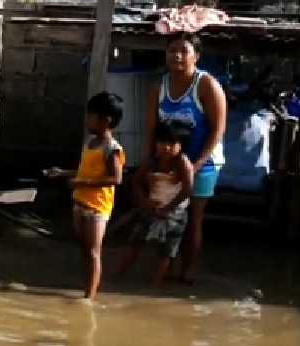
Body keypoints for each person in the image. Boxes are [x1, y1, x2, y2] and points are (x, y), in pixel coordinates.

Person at [141, 32, 227, 284]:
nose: (177, 56)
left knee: (192, 218)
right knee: (165, 214)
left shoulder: (207, 85)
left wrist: (195, 166)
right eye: (172, 50)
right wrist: (148, 164)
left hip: (204, 162)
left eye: (183, 51)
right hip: (167, 163)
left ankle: (187, 270)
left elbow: (217, 130)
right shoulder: (159, 87)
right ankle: (165, 267)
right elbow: (150, 130)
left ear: (196, 56)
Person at [46, 91, 125, 300]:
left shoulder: (111, 148)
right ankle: (87, 287)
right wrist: (62, 172)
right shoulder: (90, 143)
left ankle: (89, 298)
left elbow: (116, 179)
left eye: (91, 116)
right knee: (84, 249)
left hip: (98, 206)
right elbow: (84, 171)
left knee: (93, 252)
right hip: (81, 201)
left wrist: (82, 183)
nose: (87, 120)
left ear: (105, 121)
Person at [117, 121, 194, 288]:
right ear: (155, 143)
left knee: (166, 252)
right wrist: (145, 202)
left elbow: (187, 191)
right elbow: (135, 181)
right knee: (135, 242)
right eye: (162, 142)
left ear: (180, 144)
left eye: (172, 143)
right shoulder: (152, 161)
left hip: (175, 214)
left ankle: (155, 286)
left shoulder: (183, 163)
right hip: (151, 209)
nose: (166, 147)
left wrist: (168, 209)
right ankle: (117, 277)